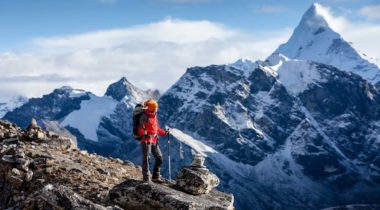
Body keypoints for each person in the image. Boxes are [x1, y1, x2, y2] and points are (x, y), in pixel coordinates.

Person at [137, 98, 169, 183]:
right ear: (149, 109)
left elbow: (156, 128)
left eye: (155, 110)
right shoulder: (144, 117)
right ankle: (146, 178)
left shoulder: (154, 116)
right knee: (147, 159)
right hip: (146, 140)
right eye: (153, 110)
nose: (154, 112)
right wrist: (144, 132)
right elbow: (139, 130)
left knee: (159, 157)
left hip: (154, 140)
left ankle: (155, 177)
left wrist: (164, 133)